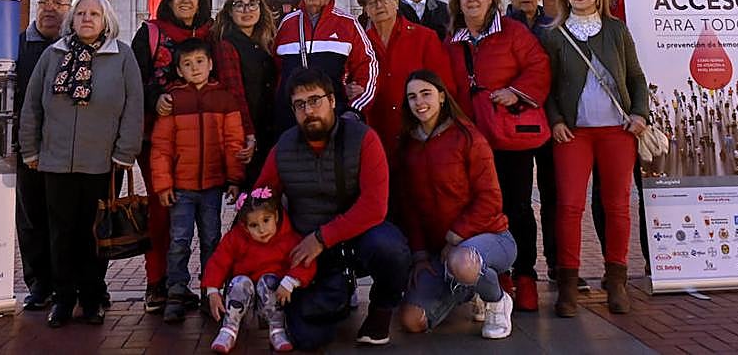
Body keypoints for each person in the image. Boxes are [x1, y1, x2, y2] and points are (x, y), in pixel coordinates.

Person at [254, 68, 411, 349]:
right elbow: (261, 200)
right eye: (299, 105)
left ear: (332, 101)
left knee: (391, 249)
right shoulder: (284, 147)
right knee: (308, 339)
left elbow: (375, 206)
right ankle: (334, 293)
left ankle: (380, 311)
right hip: (308, 248)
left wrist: (322, 237)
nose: (309, 110)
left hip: (356, 237)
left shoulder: (364, 139)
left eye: (315, 100)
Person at [18, 0, 143, 328]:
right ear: (72, 20)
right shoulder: (52, 55)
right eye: (81, 14)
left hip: (102, 163)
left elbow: (134, 108)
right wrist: (30, 150)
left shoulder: (122, 57)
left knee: (94, 235)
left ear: (106, 21)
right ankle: (62, 298)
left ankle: (91, 297)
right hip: (55, 162)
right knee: (60, 233)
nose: (87, 19)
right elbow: (32, 106)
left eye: (94, 14)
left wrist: (125, 152)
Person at [541, 0, 649, 317]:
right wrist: (555, 120)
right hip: (574, 133)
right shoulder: (554, 36)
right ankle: (568, 285)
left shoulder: (617, 30)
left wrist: (639, 114)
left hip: (617, 132)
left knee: (617, 206)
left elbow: (635, 77)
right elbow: (549, 87)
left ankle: (616, 280)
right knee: (570, 207)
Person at [445, 0, 551, 313]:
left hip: (508, 137)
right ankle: (497, 272)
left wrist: (513, 92)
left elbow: (539, 67)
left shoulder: (513, 32)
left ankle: (526, 276)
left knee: (517, 207)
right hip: (473, 139)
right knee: (485, 209)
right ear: (457, 3)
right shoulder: (453, 41)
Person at [397, 70, 515, 339]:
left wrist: (455, 236)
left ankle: (497, 301)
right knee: (412, 320)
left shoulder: (468, 137)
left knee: (462, 261)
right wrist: (419, 254)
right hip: (441, 251)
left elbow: (490, 199)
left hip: (490, 238)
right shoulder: (408, 146)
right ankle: (470, 289)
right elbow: (410, 208)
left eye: (426, 93)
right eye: (412, 97)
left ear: (441, 96)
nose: (419, 102)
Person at [130, 0, 214, 313]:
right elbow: (134, 82)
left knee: (203, 218)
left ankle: (198, 285)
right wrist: (155, 99)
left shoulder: (210, 35)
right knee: (161, 212)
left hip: (200, 139)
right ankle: (157, 283)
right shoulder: (149, 33)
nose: (187, 0)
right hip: (156, 140)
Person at [151, 38, 246, 323]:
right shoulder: (173, 100)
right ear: (179, 70)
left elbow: (233, 142)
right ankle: (176, 292)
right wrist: (163, 184)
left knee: (211, 239)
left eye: (200, 62)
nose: (195, 68)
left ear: (211, 64)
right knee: (179, 240)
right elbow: (161, 147)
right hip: (181, 187)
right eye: (188, 64)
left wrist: (234, 178)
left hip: (213, 186)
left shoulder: (224, 98)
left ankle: (210, 290)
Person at [584, 0, 651, 273]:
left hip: (639, 113)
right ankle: (614, 265)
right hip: (603, 119)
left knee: (649, 186)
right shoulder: (580, 14)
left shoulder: (637, 6)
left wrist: (643, 109)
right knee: (605, 192)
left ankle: (656, 260)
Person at [502, 0, 566, 287]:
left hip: (552, 124)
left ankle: (557, 263)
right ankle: (522, 268)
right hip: (514, 127)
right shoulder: (499, 28)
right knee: (518, 200)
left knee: (555, 196)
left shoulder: (555, 27)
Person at [13, 0, 72, 311]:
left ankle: (70, 282)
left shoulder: (77, 48)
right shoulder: (17, 47)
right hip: (30, 147)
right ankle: (39, 283)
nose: (51, 9)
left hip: (68, 150)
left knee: (66, 219)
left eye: (59, 4)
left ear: (69, 9)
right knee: (32, 217)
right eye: (45, 3)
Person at [202, 188, 317, 353]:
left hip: (274, 301)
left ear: (276, 217)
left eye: (266, 220)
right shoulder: (236, 238)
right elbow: (218, 261)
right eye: (254, 225)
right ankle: (229, 329)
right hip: (244, 302)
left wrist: (290, 281)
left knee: (269, 281)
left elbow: (305, 263)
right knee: (239, 282)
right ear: (245, 226)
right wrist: (212, 290)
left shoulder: (288, 238)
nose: (261, 230)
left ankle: (277, 330)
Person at [271, 0, 378, 134]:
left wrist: (354, 109)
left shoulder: (348, 24)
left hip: (334, 120)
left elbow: (368, 66)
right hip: (291, 122)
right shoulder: (286, 24)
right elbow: (276, 71)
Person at [357, 0, 453, 154]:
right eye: (371, 2)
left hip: (419, 134)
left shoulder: (425, 38)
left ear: (396, 2)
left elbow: (445, 85)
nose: (379, 6)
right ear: (366, 10)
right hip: (376, 136)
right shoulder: (360, 43)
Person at [213, 0, 278, 186]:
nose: (246, 10)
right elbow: (235, 94)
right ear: (230, 12)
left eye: (252, 4)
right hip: (249, 133)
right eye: (239, 5)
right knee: (252, 197)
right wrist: (248, 135)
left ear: (260, 8)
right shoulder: (227, 45)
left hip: (268, 128)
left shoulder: (265, 43)